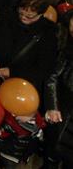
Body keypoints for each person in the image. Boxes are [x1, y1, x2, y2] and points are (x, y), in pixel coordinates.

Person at [0, 0, 58, 94]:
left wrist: (12, 72)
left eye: (30, 16)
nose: (23, 17)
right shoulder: (6, 18)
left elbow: (44, 68)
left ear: (41, 14)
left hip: (23, 88)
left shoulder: (48, 32)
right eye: (21, 12)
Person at [43, 15, 73, 169]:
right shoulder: (68, 49)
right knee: (51, 153)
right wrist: (53, 105)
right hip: (63, 111)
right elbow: (52, 77)